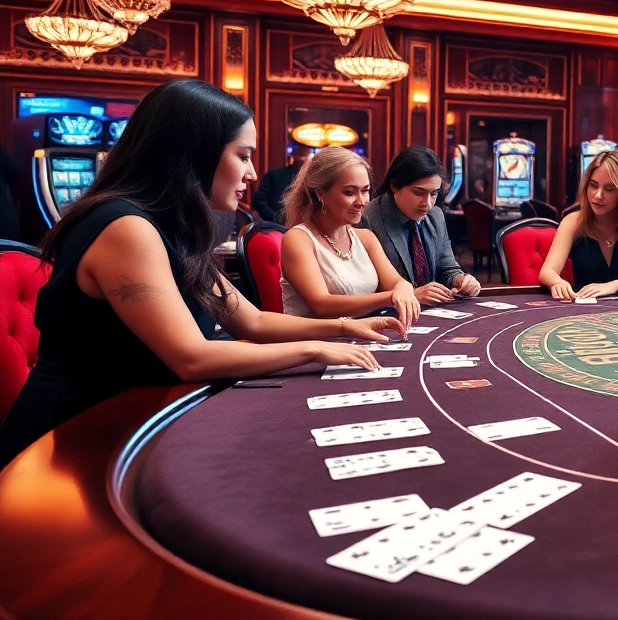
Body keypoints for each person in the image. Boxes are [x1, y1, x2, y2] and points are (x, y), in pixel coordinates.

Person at [0, 80, 401, 469]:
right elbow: (191, 357)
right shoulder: (125, 228)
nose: (252, 173)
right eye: (243, 156)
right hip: (75, 438)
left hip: (141, 413)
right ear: (194, 153)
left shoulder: (173, 226)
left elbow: (252, 319)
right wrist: (315, 350)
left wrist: (345, 328)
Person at [280, 148, 421, 327]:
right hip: (314, 344)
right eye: (349, 192)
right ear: (320, 193)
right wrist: (391, 296)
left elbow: (397, 282)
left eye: (365, 191)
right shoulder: (298, 239)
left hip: (361, 335)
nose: (362, 201)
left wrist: (404, 287)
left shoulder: (366, 238)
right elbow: (322, 305)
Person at [539, 150, 618, 300]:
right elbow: (547, 271)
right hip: (584, 311)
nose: (598, 195)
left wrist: (614, 285)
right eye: (593, 185)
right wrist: (557, 282)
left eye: (609, 189)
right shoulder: (573, 221)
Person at [363, 146, 480, 304]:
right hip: (386, 316)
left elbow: (448, 269)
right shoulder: (367, 219)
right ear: (394, 185)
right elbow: (364, 290)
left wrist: (462, 280)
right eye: (418, 193)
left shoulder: (436, 216)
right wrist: (412, 295)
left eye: (433, 194)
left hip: (431, 313)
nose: (428, 204)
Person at [253, 146, 311, 224]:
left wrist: (272, 217)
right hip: (286, 225)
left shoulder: (273, 174)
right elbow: (259, 199)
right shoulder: (308, 180)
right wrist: (273, 217)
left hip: (276, 224)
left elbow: (259, 199)